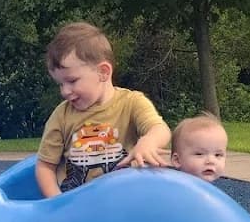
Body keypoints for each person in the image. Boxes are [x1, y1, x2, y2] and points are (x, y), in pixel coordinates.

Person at [35, 21, 170, 198]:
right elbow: (45, 166)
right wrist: (57, 204)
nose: (65, 91)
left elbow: (160, 129)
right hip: (77, 204)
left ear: (103, 72)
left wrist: (147, 143)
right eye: (60, 84)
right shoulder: (62, 116)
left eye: (72, 81)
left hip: (122, 201)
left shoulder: (132, 103)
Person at [171, 113, 228, 183]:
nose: (211, 161)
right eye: (199, 154)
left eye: (217, 155)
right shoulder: (176, 189)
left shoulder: (214, 191)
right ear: (177, 160)